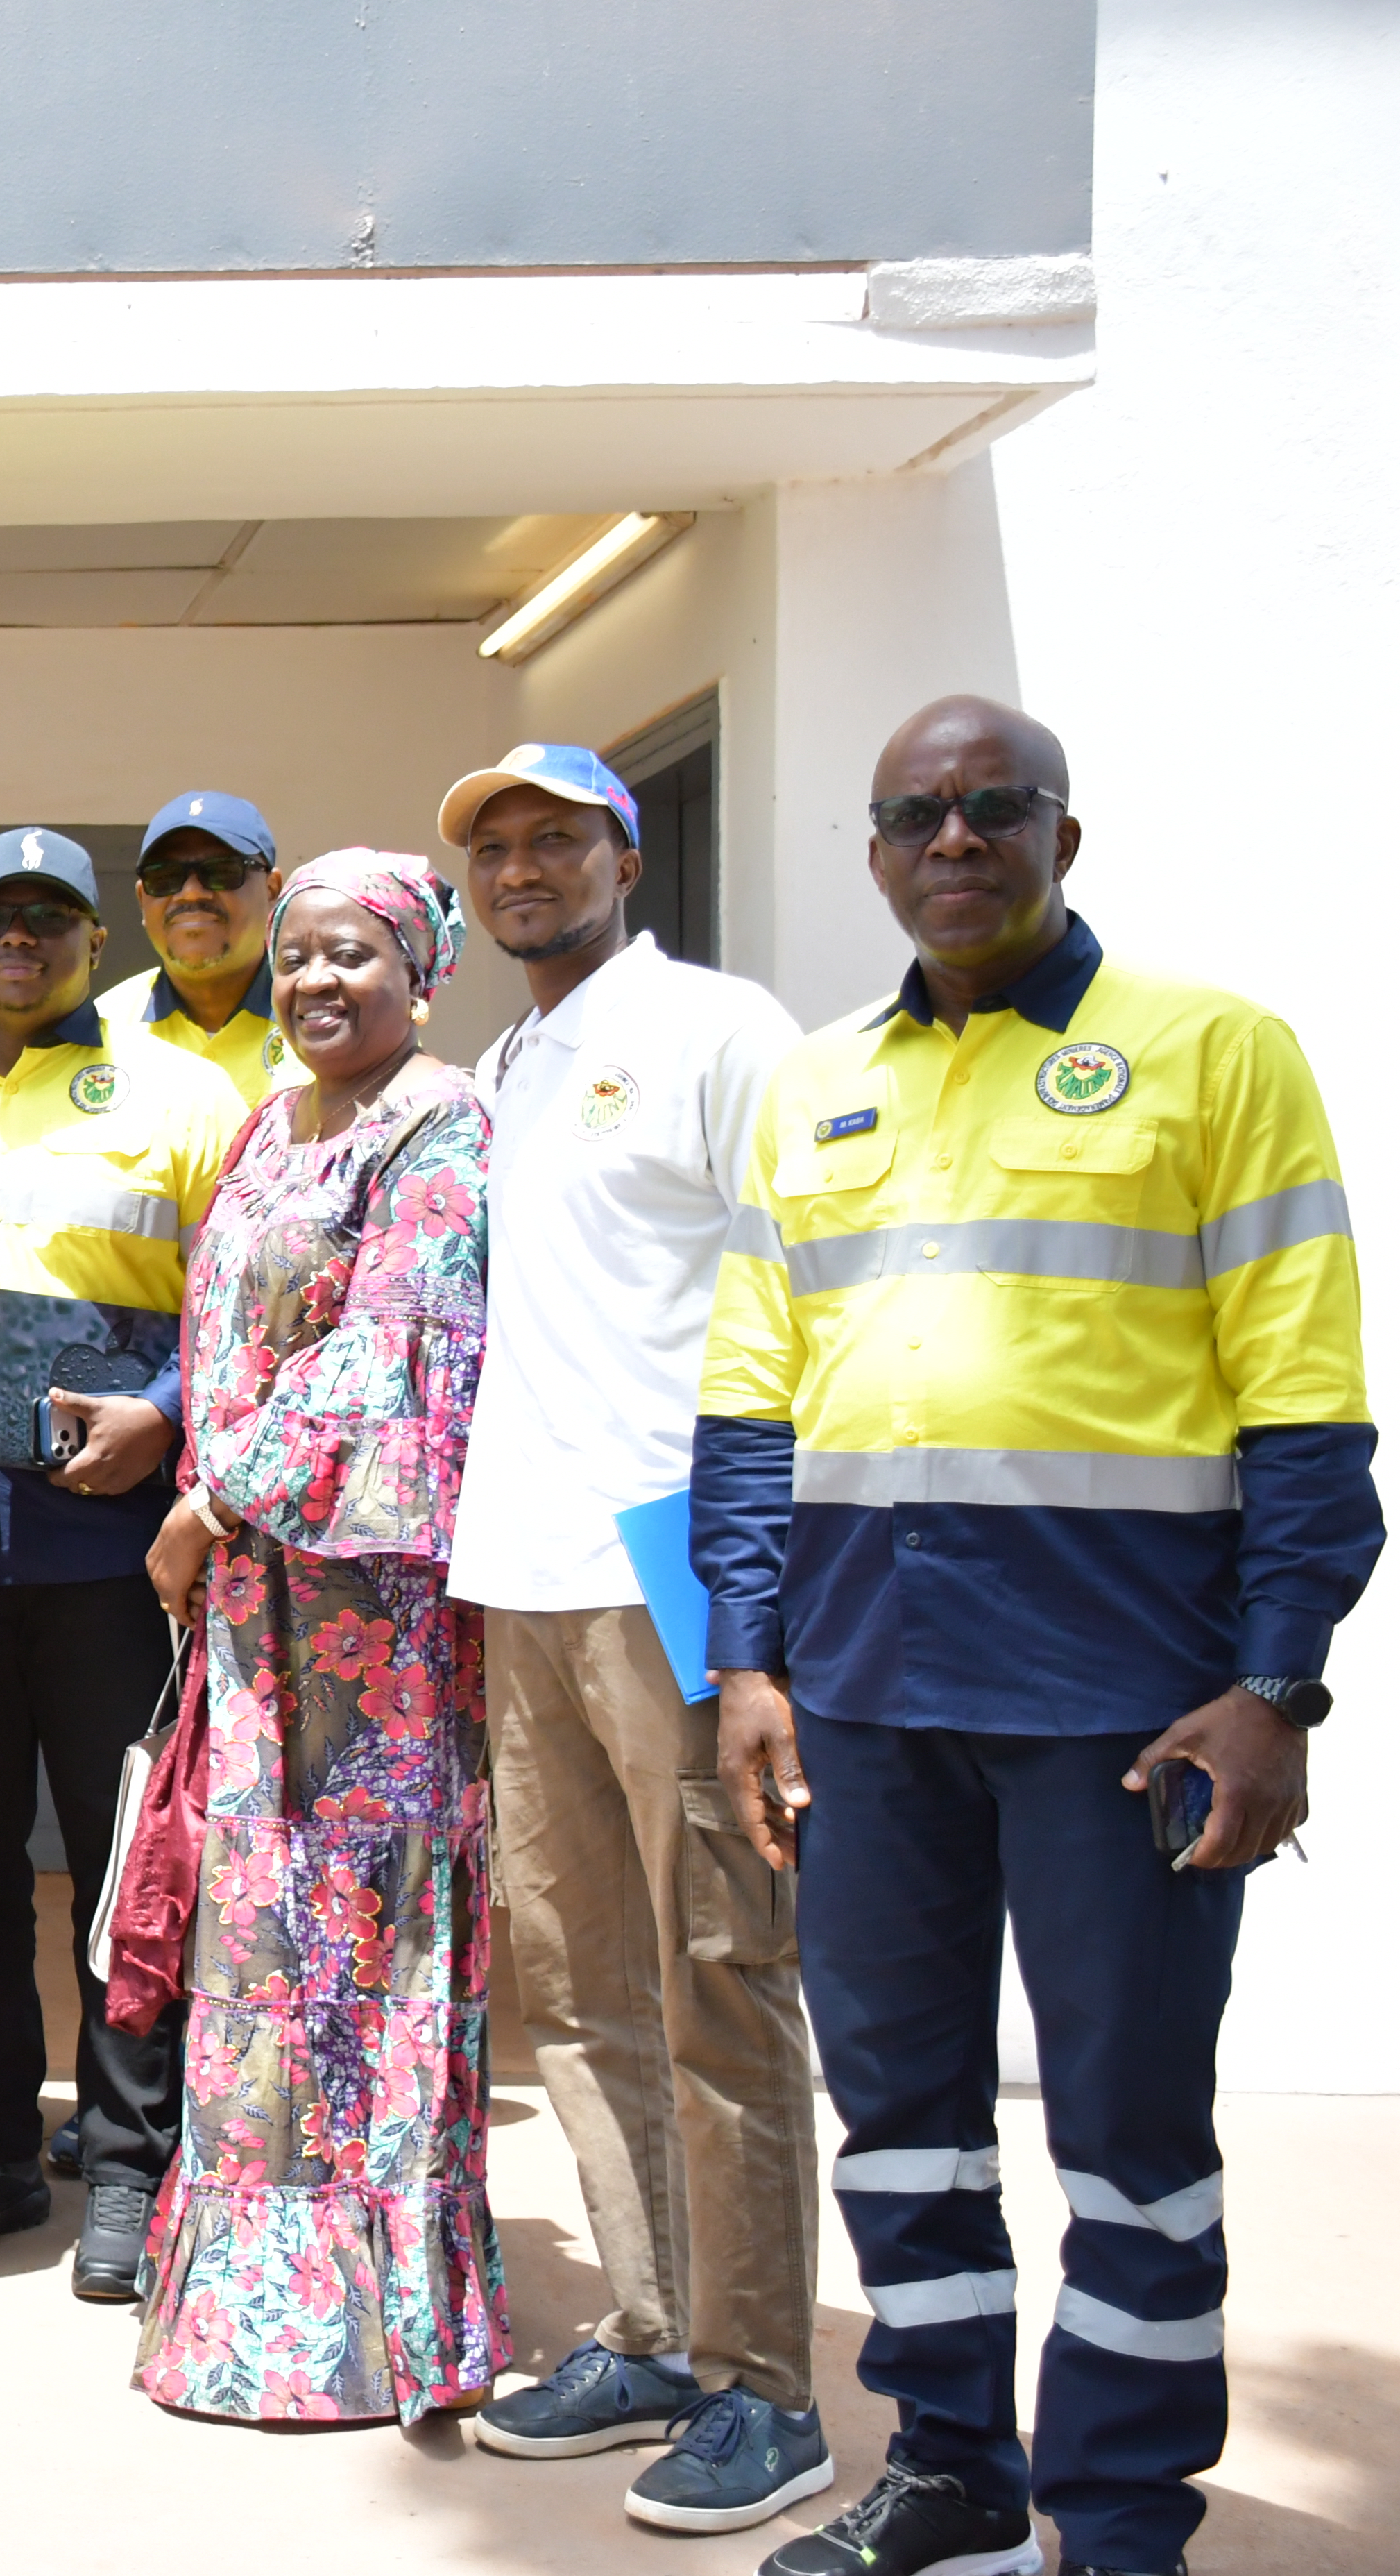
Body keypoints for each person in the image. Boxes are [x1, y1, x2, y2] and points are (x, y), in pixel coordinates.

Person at [698, 697, 1378, 2576]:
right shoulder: (816, 1083)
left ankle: (1121, 2518)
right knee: (901, 2119)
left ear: (1065, 837)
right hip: (862, 1699)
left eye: (996, 808)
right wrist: (749, 1667)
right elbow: (751, 1407)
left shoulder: (1213, 1052)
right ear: (874, 849)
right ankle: (949, 2472)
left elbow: (1308, 1407)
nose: (956, 839)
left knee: (1128, 2128)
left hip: (1130, 1710)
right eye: (915, 811)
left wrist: (1278, 1681)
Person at [440, 744, 829, 2533]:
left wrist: (760, 1612)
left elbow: (809, 1291)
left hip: (672, 1567)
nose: (519, 868)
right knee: (581, 1984)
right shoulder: (510, 1060)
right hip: (514, 1572)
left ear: (623, 850)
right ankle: (658, 2329)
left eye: (552, 840)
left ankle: (766, 2383)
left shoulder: (717, 1028)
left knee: (716, 1973)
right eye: (492, 848)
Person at [137, 846, 504, 2427]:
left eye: (351, 954)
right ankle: (241, 2320)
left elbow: (404, 1355)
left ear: (420, 967)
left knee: (371, 1954)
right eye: (295, 959)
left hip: (382, 1636)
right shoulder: (263, 1126)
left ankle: (388, 2327)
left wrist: (212, 1501)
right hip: (248, 1623)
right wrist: (200, 1503)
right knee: (260, 1945)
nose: (313, 985)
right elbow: (217, 1332)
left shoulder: (447, 1126)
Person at [0, 828, 244, 2293]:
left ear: (94, 938)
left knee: (123, 1858)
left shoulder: (185, 1092)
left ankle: (131, 2158)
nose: (21, 938)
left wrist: (171, 1413)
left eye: (51, 917)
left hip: (114, 1555)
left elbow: (244, 1301)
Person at [103, 789, 292, 1105]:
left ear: (272, 890)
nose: (191, 894)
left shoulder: (319, 1018)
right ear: (141, 900)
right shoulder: (102, 1029)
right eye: (165, 877)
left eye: (221, 872)